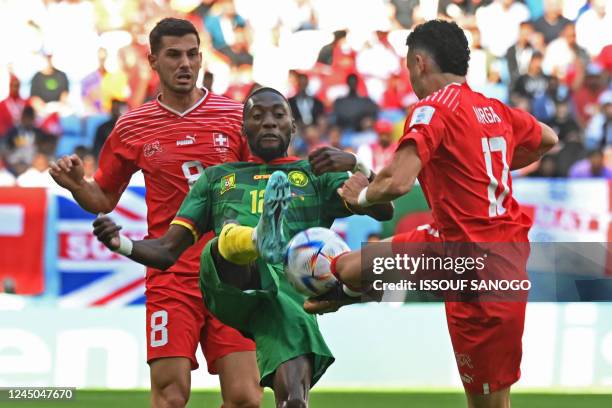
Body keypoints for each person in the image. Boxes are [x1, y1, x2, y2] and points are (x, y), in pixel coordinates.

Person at [304, 20, 558, 408]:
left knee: (489, 404)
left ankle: (348, 293)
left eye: (408, 68)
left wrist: (361, 197)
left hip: (478, 267)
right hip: (463, 246)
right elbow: (547, 138)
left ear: (420, 63)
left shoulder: (433, 108)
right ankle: (349, 293)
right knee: (346, 267)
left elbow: (398, 183)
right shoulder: (492, 109)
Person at [92, 87, 393, 407]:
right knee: (224, 246)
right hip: (227, 282)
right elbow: (167, 251)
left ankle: (259, 240)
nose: (268, 123)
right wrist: (121, 243)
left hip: (282, 297)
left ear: (293, 126)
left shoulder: (315, 176)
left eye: (278, 116)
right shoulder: (218, 178)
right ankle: (255, 238)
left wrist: (357, 164)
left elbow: (383, 209)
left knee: (291, 401)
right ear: (243, 128)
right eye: (257, 116)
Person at [49, 18, 262, 408]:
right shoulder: (132, 126)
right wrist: (78, 184)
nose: (185, 63)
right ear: (153, 61)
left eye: (192, 54)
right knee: (169, 396)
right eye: (174, 55)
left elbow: (262, 190)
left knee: (246, 397)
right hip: (172, 276)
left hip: (232, 273)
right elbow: (103, 200)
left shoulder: (236, 117)